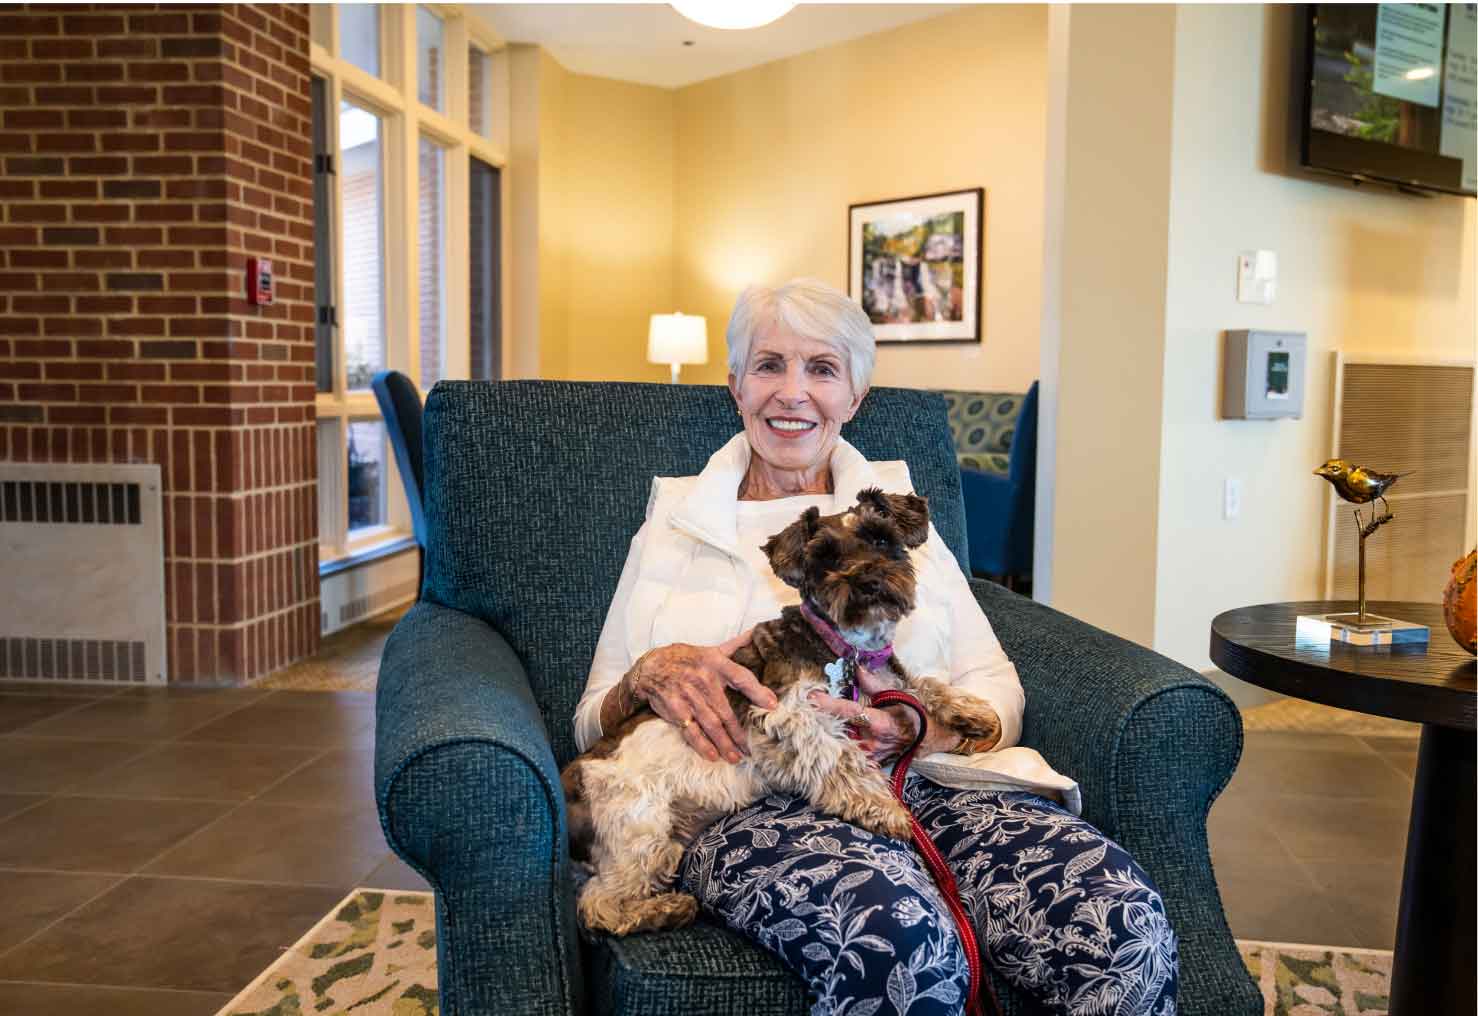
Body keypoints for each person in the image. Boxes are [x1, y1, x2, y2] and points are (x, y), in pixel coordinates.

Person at [572, 279, 1178, 1016]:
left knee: (1115, 920)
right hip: (745, 807)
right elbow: (590, 719)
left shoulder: (896, 517)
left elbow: (995, 686)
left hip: (935, 780)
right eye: (769, 365)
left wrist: (917, 728)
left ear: (855, 396)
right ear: (736, 386)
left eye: (823, 369)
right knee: (897, 941)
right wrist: (650, 673)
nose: (793, 392)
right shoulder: (675, 523)